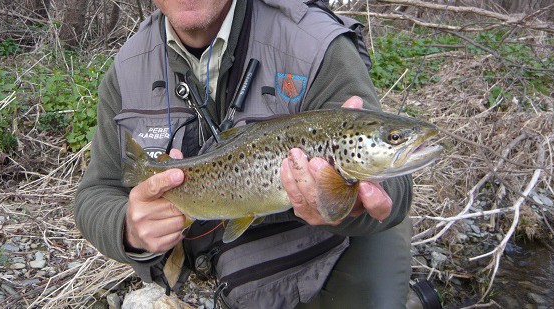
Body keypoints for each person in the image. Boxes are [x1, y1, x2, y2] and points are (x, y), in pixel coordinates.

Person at [75, 0, 414, 307]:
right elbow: (97, 193)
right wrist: (129, 230)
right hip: (216, 264)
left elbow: (396, 189)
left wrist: (353, 205)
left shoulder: (316, 44)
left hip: (326, 252)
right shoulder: (127, 70)